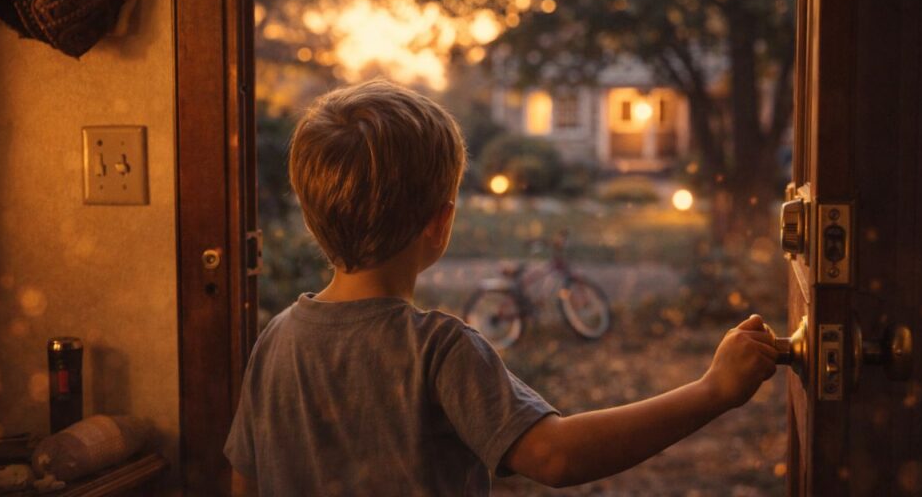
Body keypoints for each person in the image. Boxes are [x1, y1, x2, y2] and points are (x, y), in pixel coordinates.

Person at [224, 80, 778, 496]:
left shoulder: (275, 342)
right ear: (439, 224)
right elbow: (557, 457)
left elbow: (242, 483)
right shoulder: (438, 350)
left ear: (311, 215)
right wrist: (713, 391)